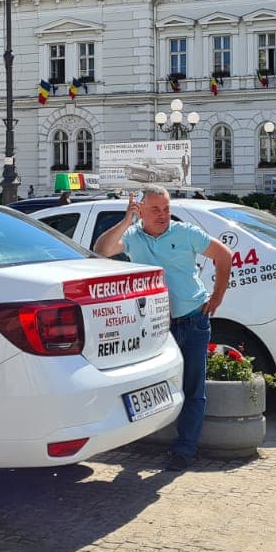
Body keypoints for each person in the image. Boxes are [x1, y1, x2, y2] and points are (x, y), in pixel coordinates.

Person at [94, 184, 233, 472]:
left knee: (193, 387)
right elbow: (102, 250)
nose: (163, 214)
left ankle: (185, 449)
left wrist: (217, 296)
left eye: (166, 209)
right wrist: (126, 221)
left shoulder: (185, 233)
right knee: (147, 384)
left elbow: (224, 255)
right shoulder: (132, 237)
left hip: (193, 320)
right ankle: (141, 441)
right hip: (154, 324)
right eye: (155, 209)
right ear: (141, 210)